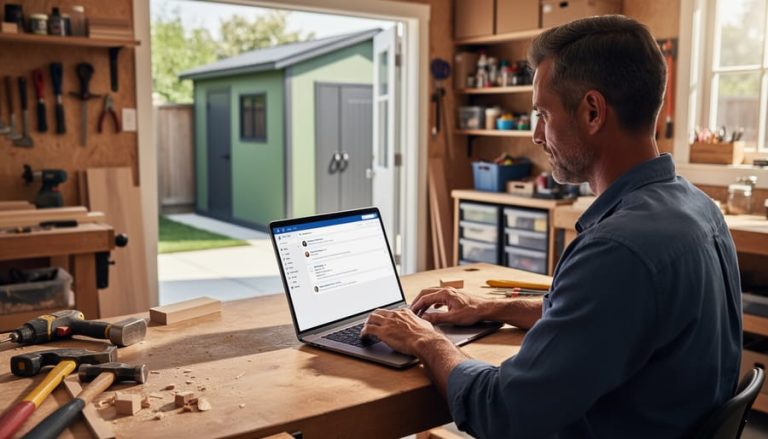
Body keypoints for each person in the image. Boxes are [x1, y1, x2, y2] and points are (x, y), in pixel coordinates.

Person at [362, 15, 742, 438]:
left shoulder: (618, 249)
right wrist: (494, 307)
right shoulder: (699, 208)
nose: (536, 134)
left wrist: (426, 340)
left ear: (593, 111)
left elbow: (502, 414)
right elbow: (605, 321)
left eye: (543, 113)